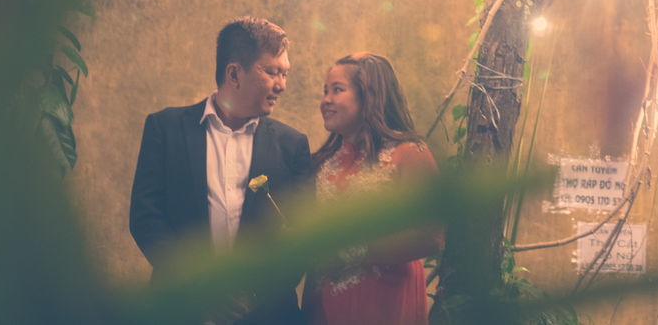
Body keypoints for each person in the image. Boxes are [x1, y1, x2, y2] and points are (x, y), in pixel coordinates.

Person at [129, 17, 312, 323]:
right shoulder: (164, 129)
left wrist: (250, 296)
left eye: (285, 73)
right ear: (234, 73)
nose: (282, 85)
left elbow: (303, 236)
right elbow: (146, 218)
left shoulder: (292, 146)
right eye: (272, 72)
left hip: (266, 315)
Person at [309, 52, 443, 325]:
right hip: (328, 303)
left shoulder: (410, 154)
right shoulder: (323, 162)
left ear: (369, 96)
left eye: (337, 90)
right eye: (325, 91)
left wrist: (352, 249)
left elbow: (431, 237)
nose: (326, 100)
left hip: (386, 301)